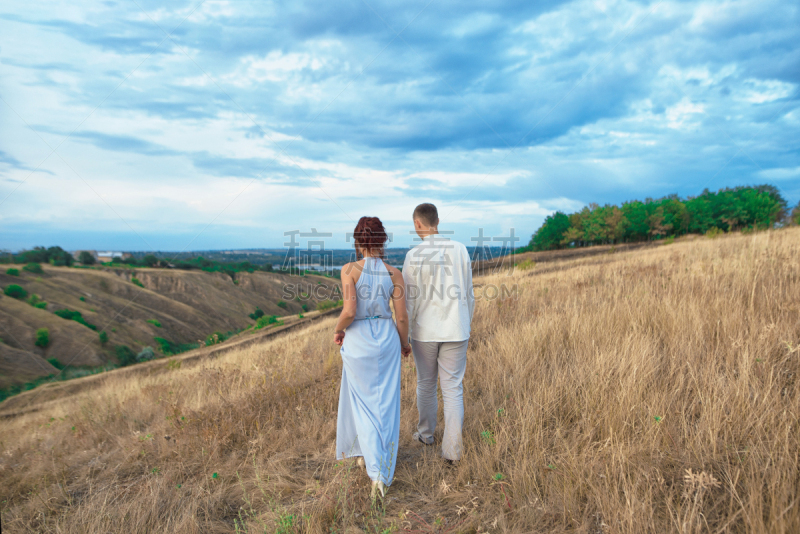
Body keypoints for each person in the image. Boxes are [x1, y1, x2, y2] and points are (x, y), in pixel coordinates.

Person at [333, 216, 411, 498]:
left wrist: (338, 330)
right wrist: (404, 344)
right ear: (383, 240)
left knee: (360, 402)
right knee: (386, 404)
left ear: (357, 241)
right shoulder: (395, 273)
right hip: (386, 339)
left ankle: (371, 465)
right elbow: (401, 317)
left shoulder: (349, 270)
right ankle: (379, 466)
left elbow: (350, 311)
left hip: (359, 339)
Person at [402, 203, 474, 463]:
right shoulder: (460, 250)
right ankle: (453, 452)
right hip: (457, 328)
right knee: (453, 388)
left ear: (417, 224)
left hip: (425, 331)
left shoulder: (413, 255)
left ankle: (426, 435)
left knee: (426, 384)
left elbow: (408, 300)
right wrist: (467, 323)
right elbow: (469, 293)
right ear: (438, 221)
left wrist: (406, 335)